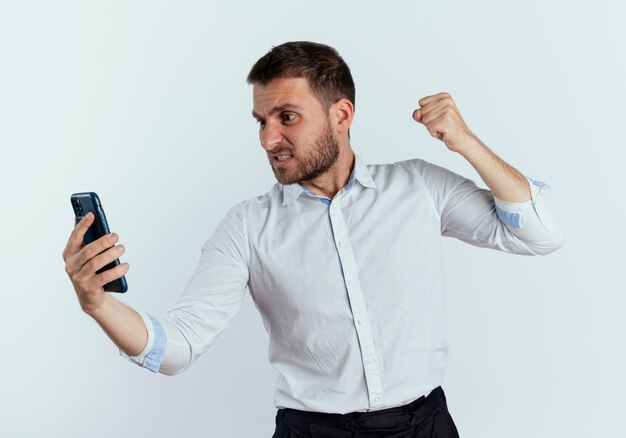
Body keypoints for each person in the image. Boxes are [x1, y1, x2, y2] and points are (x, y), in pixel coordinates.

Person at [63, 41, 563, 437]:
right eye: (261, 121)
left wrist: (465, 141)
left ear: (341, 115)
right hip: (311, 431)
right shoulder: (247, 227)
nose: (267, 140)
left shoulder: (419, 187)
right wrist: (96, 303)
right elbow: (176, 349)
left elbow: (538, 235)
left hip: (426, 426)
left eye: (287, 117)